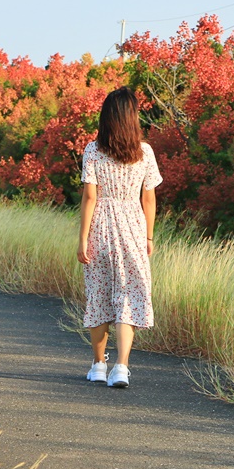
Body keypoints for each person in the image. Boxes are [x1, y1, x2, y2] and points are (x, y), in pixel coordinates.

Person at [77, 86, 162, 388]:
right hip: (133, 229)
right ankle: (122, 368)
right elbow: (149, 200)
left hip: (100, 227)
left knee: (99, 294)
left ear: (107, 117)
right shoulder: (145, 152)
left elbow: (89, 197)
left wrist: (82, 238)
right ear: (133, 117)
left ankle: (99, 365)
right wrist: (149, 237)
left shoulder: (92, 150)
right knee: (129, 295)